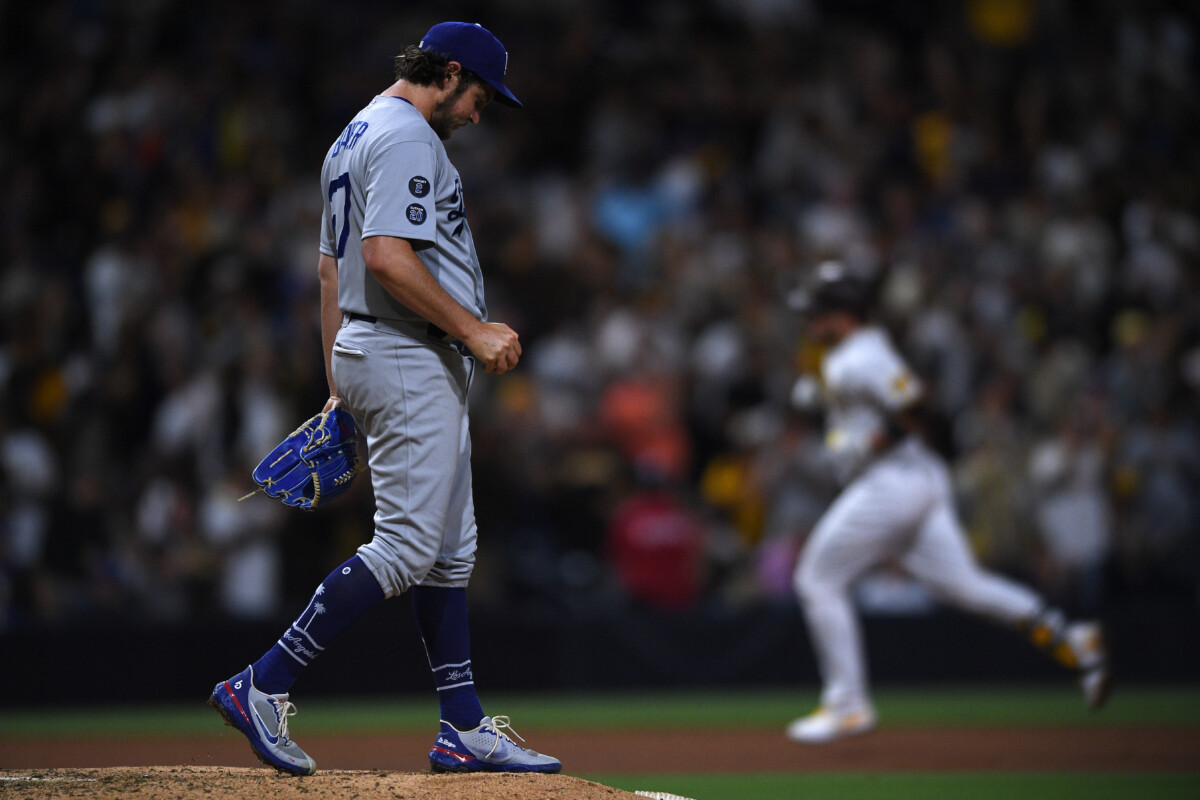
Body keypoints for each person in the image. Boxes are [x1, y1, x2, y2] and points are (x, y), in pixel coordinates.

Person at [208, 22, 561, 775]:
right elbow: (382, 256)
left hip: (380, 350)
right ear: (452, 72)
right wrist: (472, 328)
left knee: (449, 550)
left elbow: (332, 271)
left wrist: (340, 380)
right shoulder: (406, 137)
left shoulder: (356, 129)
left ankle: (461, 728)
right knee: (405, 548)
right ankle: (261, 684)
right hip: (408, 352)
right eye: (480, 97)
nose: (478, 114)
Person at [785, 261, 1111, 744]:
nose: (809, 319)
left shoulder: (864, 354)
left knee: (817, 579)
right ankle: (1074, 641)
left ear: (845, 312)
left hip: (891, 482)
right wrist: (828, 400)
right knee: (966, 588)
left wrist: (872, 442)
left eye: (819, 310)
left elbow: (917, 408)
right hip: (913, 481)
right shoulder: (843, 356)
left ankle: (848, 704)